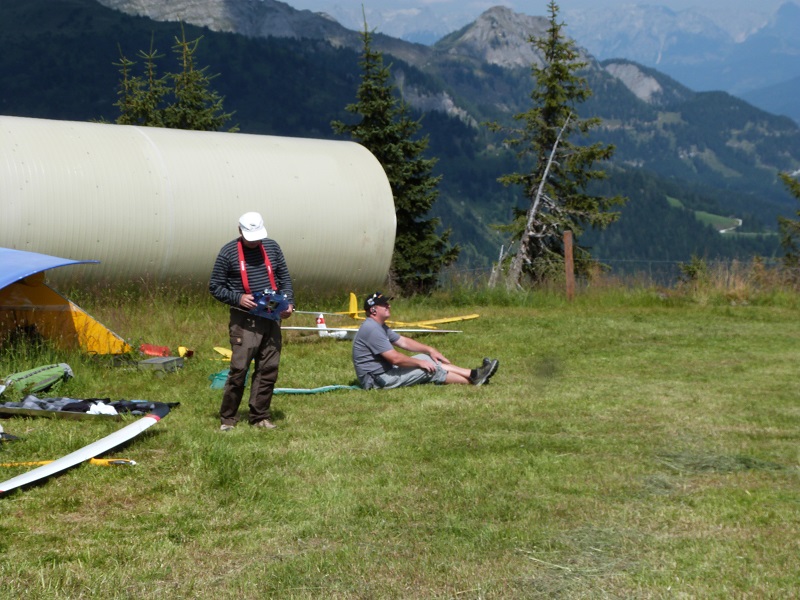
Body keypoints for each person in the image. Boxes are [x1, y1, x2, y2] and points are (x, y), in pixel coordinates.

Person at [209, 211, 295, 431]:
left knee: (269, 368)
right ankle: (228, 418)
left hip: (272, 317)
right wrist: (238, 298)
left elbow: (284, 277)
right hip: (244, 320)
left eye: (258, 236)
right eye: (250, 236)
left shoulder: (272, 247)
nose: (255, 241)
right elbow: (215, 286)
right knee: (239, 369)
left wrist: (289, 304)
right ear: (240, 230)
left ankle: (260, 416)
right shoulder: (228, 253)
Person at [352, 291, 499, 390]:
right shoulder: (372, 329)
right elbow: (395, 358)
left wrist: (430, 350)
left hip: (385, 373)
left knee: (427, 358)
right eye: (384, 304)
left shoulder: (379, 326)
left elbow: (402, 341)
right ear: (373, 310)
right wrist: (419, 363)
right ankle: (474, 382)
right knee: (428, 369)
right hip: (377, 381)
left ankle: (475, 373)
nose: (389, 305)